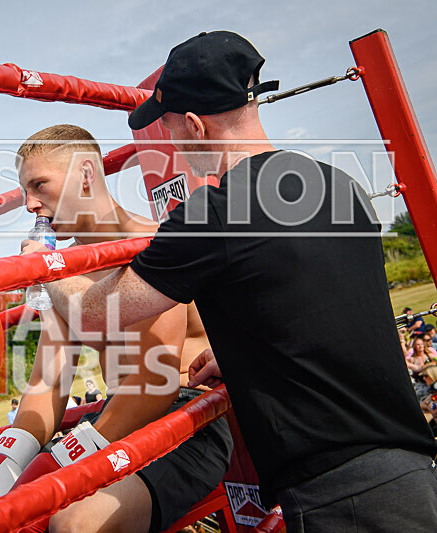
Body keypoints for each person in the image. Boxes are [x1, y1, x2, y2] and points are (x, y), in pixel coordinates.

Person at [23, 31, 437, 532]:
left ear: (194, 125)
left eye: (170, 127)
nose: (172, 142)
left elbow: (95, 312)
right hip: (408, 462)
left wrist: (39, 265)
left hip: (336, 487)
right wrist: (244, 351)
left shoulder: (214, 214)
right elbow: (327, 306)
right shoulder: (339, 184)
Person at [0, 124, 232, 533]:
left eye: (39, 184)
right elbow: (49, 381)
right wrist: (10, 452)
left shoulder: (152, 242)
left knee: (73, 523)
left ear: (85, 174)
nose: (30, 204)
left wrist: (67, 460)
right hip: (112, 420)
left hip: (186, 420)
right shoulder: (62, 268)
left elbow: (153, 383)